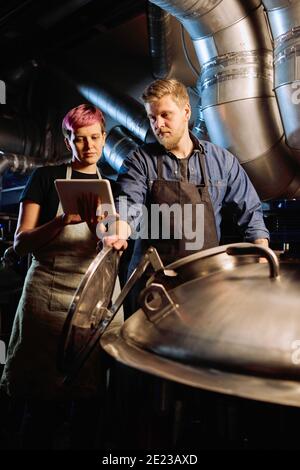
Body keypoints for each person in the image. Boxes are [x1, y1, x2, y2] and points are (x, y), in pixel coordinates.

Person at [0, 104, 119, 449]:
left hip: (90, 305)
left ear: (104, 137)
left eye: (94, 138)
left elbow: (113, 241)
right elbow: (22, 243)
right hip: (46, 303)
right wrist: (61, 222)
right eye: (79, 140)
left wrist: (110, 235)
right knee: (41, 410)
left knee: (88, 408)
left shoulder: (111, 188)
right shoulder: (44, 179)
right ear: (68, 141)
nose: (88, 146)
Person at [104, 79, 270, 316]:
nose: (158, 124)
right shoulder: (139, 161)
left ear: (186, 112)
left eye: (165, 115)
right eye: (152, 118)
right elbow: (128, 203)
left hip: (205, 284)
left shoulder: (221, 162)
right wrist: (119, 229)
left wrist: (262, 253)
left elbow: (251, 212)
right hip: (152, 289)